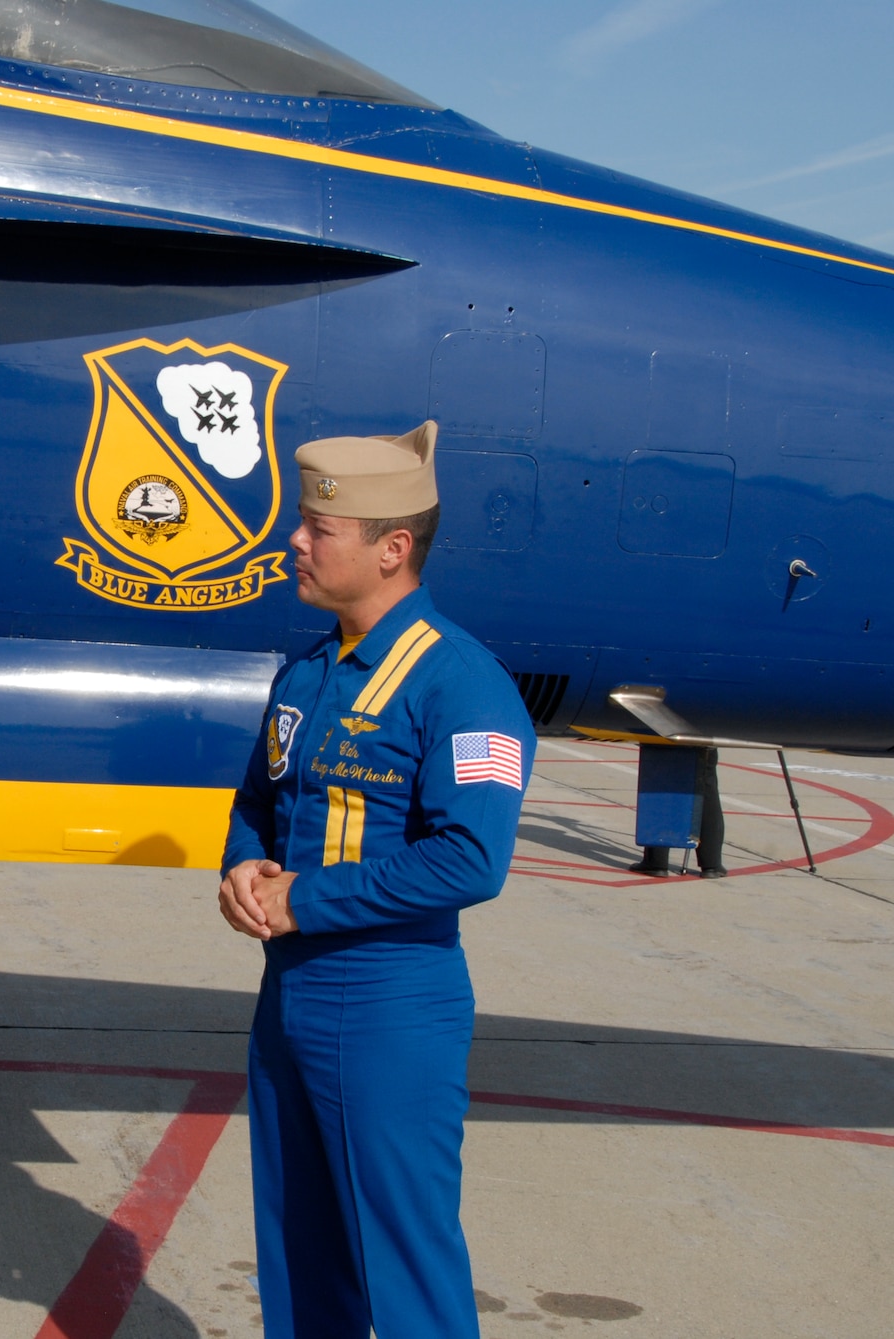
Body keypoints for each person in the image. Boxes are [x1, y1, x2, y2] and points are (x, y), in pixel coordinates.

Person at [218, 421, 534, 1339]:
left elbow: (471, 858)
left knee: (402, 1269)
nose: (296, 543)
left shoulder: (463, 684)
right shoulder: (307, 670)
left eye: (321, 530)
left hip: (390, 1001)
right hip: (288, 998)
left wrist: (299, 900)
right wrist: (243, 866)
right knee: (296, 1252)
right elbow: (260, 796)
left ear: (393, 549)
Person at [628, 746, 726, 878]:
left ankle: (656, 860)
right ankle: (711, 864)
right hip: (704, 731)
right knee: (706, 784)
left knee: (660, 780)